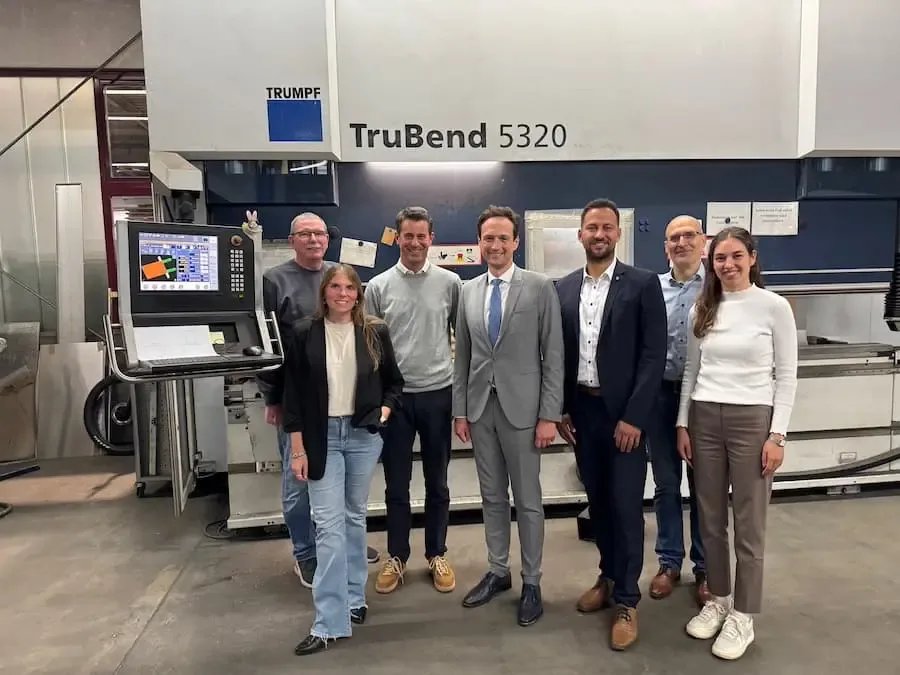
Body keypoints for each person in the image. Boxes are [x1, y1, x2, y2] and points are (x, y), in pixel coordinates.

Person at [675, 226, 798, 660]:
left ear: (752, 258)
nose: (727, 265)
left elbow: (786, 376)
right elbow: (691, 372)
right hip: (705, 416)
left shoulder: (774, 307)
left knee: (749, 524)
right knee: (709, 519)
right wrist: (682, 424)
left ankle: (744, 614)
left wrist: (776, 435)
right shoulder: (703, 307)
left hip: (752, 420)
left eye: (735, 256)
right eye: (720, 258)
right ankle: (720, 600)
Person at [555, 198, 667, 651]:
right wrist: (562, 408)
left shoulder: (641, 285)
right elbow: (558, 355)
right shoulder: (561, 288)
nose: (598, 234)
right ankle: (607, 575)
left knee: (624, 507)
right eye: (590, 228)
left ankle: (626, 599)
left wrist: (634, 418)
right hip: (582, 413)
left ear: (618, 234)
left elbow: (652, 355)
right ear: (579, 235)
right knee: (598, 504)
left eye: (607, 227)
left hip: (624, 417)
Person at [283, 264, 404, 656]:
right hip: (321, 439)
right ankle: (328, 622)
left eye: (349, 287)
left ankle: (355, 599)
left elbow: (394, 383)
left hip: (362, 436)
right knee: (328, 526)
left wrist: (383, 413)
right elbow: (294, 396)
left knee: (354, 516)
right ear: (324, 292)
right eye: (334, 286)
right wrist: (297, 449)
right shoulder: (304, 333)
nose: (342, 294)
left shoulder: (374, 331)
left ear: (358, 293)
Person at [452, 205, 564, 627]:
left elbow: (553, 355)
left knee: (529, 501)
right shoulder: (468, 290)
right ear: (479, 243)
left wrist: (549, 414)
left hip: (525, 410)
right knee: (492, 496)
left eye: (503, 238)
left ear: (516, 242)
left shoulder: (538, 287)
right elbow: (462, 354)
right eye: (488, 239)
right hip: (481, 409)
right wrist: (460, 411)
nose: (495, 245)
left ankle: (531, 580)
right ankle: (498, 570)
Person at [256, 213, 379, 590]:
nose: (313, 240)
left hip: (344, 407)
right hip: (300, 405)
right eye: (305, 234)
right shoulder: (274, 281)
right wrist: (273, 397)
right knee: (299, 484)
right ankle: (306, 554)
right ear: (291, 240)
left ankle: (341, 544)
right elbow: (266, 345)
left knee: (340, 489)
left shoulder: (339, 275)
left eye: (320, 233)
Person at [365, 207, 462, 595]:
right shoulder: (378, 287)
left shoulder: (451, 283)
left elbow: (461, 337)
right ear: (398, 238)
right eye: (409, 236)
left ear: (431, 238)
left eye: (422, 236)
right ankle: (397, 556)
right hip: (396, 401)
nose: (416, 243)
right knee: (396, 486)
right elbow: (368, 349)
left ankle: (437, 553)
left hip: (439, 394)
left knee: (437, 483)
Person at [647, 215, 710, 607]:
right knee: (666, 484)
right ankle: (669, 562)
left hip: (706, 401)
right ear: (665, 246)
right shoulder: (652, 288)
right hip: (659, 399)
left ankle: (706, 567)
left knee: (705, 487)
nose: (681, 242)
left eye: (689, 235)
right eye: (674, 237)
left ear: (703, 242)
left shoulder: (719, 287)